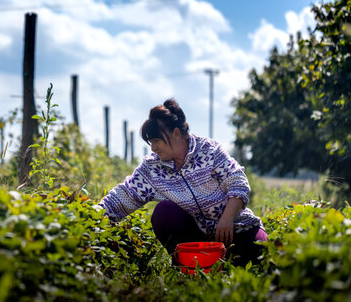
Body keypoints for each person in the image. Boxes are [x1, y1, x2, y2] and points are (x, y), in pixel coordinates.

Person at [99, 99, 267, 266]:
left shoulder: (210, 151)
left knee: (260, 253)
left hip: (234, 228)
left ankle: (227, 262)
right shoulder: (152, 168)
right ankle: (188, 265)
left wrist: (227, 219)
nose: (153, 148)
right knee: (164, 212)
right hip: (197, 239)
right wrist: (93, 215)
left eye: (157, 140)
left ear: (176, 133)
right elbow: (124, 194)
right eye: (150, 142)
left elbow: (238, 183)